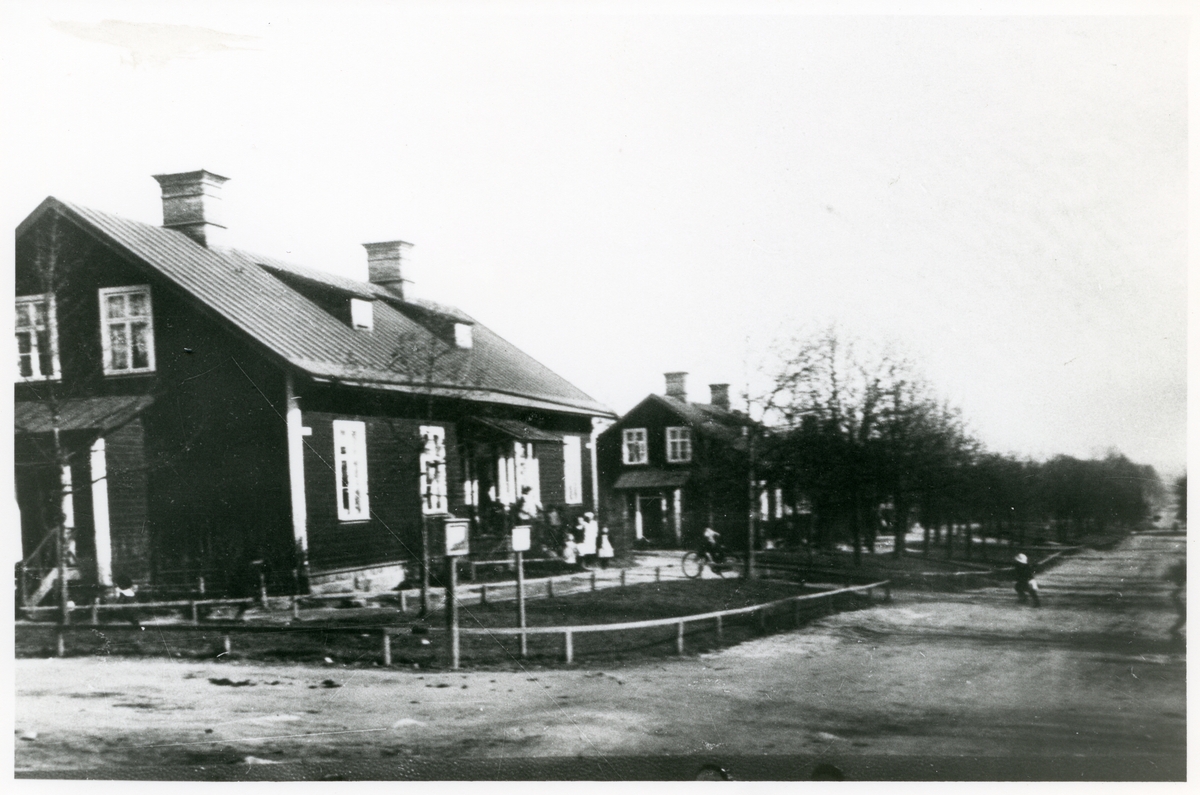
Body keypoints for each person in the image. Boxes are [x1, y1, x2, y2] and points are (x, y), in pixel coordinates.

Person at [1166, 557, 1185, 642]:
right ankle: (1173, 630)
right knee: (1183, 616)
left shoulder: (1178, 589)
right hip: (1176, 596)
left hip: (1176, 596)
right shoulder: (1178, 590)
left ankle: (1173, 630)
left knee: (1183, 616)